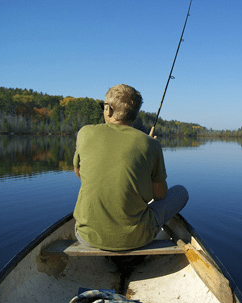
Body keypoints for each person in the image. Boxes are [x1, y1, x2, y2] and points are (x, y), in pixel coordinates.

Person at [72, 84, 189, 251]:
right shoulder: (151, 144)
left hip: (87, 237)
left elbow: (79, 173)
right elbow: (160, 195)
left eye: (103, 106)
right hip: (138, 238)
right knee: (181, 192)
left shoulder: (85, 133)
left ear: (109, 110)